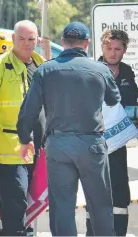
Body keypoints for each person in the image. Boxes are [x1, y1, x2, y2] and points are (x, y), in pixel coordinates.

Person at [17, 22, 120, 236]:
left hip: (59, 145)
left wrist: (25, 138)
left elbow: (29, 110)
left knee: (62, 208)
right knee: (100, 205)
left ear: (63, 42)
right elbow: (113, 99)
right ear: (87, 43)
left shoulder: (45, 69)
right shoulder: (100, 69)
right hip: (92, 144)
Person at [0, 20, 49, 236]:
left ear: (37, 41)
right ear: (13, 39)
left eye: (31, 39)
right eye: (21, 38)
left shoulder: (41, 64)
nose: (27, 44)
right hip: (9, 152)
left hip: (37, 149)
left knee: (29, 204)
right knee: (15, 205)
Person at [85, 29, 138, 236]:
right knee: (96, 194)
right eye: (109, 48)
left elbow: (133, 107)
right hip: (95, 144)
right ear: (102, 47)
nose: (113, 53)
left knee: (120, 195)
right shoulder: (91, 70)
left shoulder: (127, 72)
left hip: (119, 145)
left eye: (118, 49)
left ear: (124, 50)